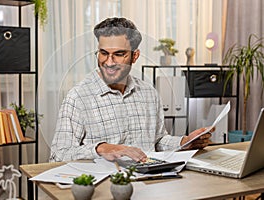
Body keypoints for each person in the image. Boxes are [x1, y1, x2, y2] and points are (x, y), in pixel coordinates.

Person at [50, 17, 212, 163]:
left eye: (119, 54)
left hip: (150, 182)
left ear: (135, 56)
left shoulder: (149, 93)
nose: (109, 62)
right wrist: (101, 148)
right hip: (107, 187)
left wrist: (184, 142)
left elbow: (157, 141)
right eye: (104, 53)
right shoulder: (78, 97)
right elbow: (58, 154)